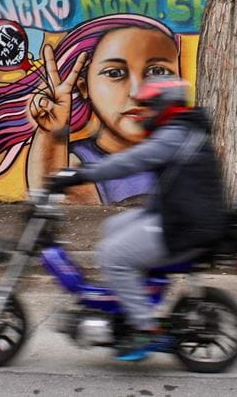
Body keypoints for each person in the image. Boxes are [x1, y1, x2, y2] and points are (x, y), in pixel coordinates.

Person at [48, 77, 227, 362]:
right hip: (181, 217)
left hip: (183, 227)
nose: (144, 113)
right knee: (113, 226)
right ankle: (131, 299)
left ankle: (144, 329)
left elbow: (130, 161)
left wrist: (81, 174)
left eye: (148, 106)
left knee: (112, 254)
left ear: (164, 105)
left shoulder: (174, 135)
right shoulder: (180, 131)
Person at [0, 14, 181, 204]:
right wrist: (51, 135)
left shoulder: (183, 148)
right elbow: (57, 203)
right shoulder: (81, 161)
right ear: (83, 87)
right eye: (115, 73)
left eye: (157, 71)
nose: (137, 92)